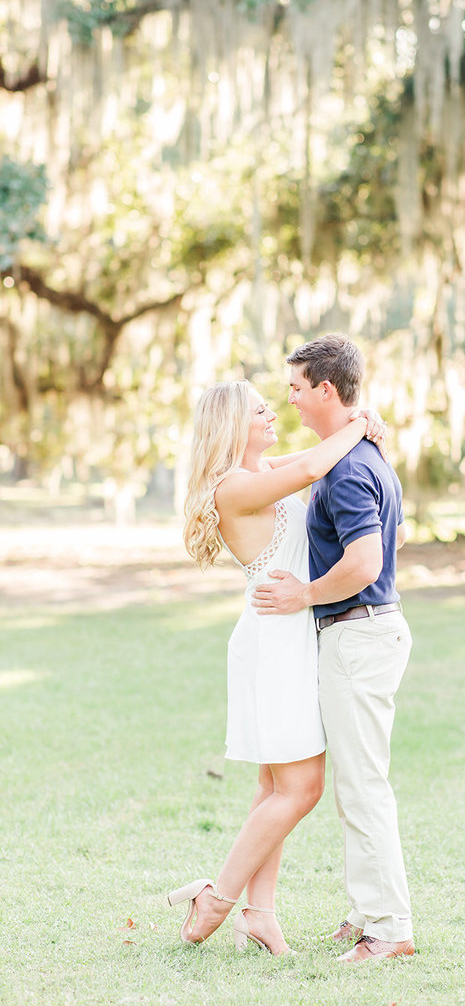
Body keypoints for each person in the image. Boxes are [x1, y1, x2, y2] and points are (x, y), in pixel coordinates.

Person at [169, 379, 385, 954]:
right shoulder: (235, 487)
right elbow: (313, 467)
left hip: (287, 633)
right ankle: (216, 900)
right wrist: (360, 423)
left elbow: (307, 459)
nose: (272, 414)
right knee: (302, 787)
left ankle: (260, 914)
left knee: (273, 787)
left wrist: (355, 427)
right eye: (259, 410)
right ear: (230, 426)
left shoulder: (257, 472)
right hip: (275, 643)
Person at [251, 334, 414, 963]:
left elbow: (367, 559)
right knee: (356, 783)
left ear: (325, 388)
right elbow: (397, 534)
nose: (289, 399)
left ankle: (389, 929)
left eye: (296, 388)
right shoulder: (360, 454)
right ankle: (366, 912)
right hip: (368, 630)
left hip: (357, 632)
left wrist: (305, 594)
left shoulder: (347, 468)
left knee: (363, 786)